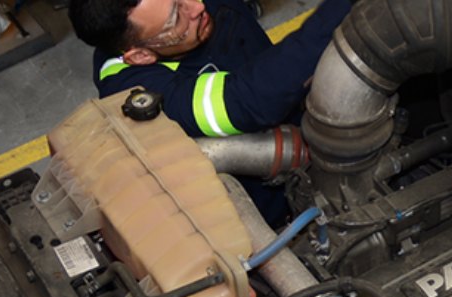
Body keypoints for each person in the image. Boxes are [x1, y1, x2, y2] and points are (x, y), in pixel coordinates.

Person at [70, 0, 351, 220]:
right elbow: (247, 101)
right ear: (141, 55)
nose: (197, 7)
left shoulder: (190, 7)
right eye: (176, 18)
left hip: (321, 117)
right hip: (279, 203)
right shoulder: (135, 92)